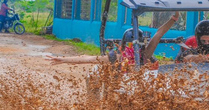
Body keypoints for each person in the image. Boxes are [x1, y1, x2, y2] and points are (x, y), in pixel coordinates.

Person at [47, 11, 180, 69]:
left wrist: (173, 19)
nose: (134, 50)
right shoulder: (117, 57)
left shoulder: (145, 56)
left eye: (136, 47)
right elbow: (88, 59)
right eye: (132, 46)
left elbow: (159, 34)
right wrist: (64, 59)